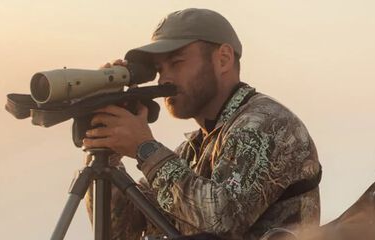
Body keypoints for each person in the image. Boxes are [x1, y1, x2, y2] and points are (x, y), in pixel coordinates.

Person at [82, 8, 322, 240]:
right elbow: (118, 231)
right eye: (159, 69)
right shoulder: (195, 148)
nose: (164, 78)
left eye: (176, 63)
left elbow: (221, 220)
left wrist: (144, 149)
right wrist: (107, 148)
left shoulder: (266, 124)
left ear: (223, 59)